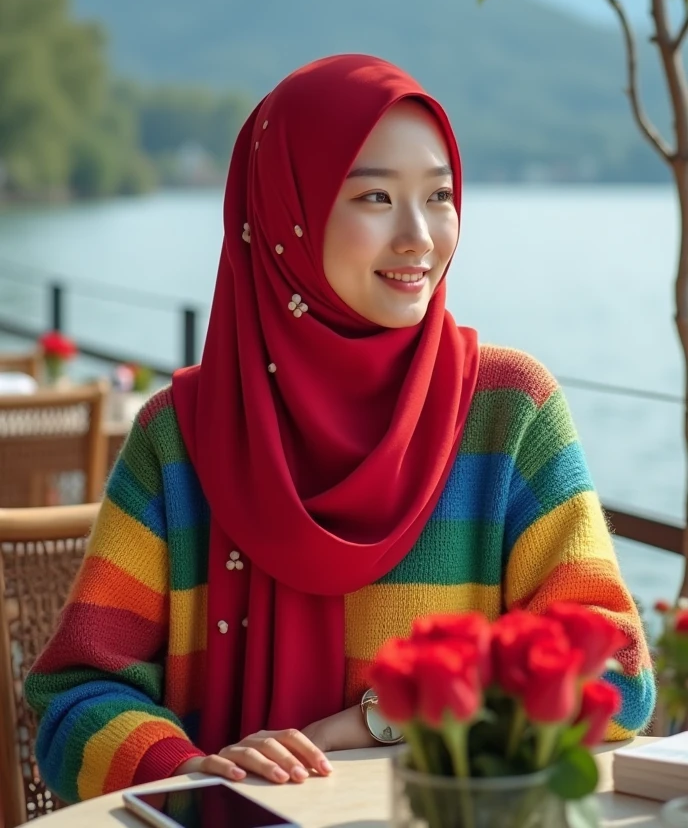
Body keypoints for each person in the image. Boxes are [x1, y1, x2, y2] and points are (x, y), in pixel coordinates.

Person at [25, 54, 655, 802]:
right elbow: (73, 701)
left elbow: (612, 671)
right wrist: (191, 772)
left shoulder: (508, 412)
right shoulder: (180, 441)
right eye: (376, 197)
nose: (420, 236)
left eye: (441, 196)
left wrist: (383, 719)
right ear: (285, 217)